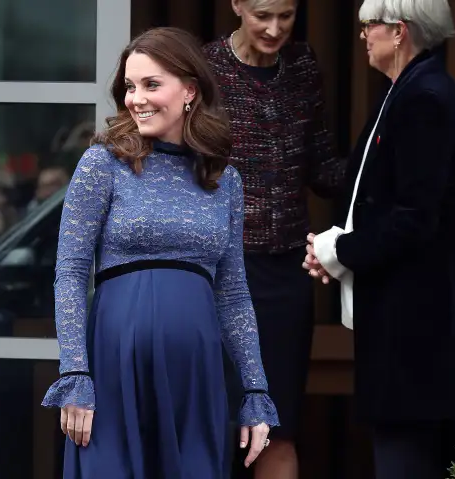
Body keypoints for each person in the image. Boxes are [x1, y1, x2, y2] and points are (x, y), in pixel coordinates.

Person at [41, 27, 279, 479]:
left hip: (195, 370)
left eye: (152, 84)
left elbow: (232, 292)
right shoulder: (103, 163)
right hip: (113, 367)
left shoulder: (223, 179)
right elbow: (70, 272)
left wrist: (254, 389)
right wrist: (75, 372)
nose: (136, 98)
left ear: (190, 90)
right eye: (130, 86)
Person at [304, 0, 455, 477]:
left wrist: (340, 252)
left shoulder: (424, 97)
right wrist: (335, 248)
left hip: (415, 324)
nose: (363, 35)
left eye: (370, 25)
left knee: (405, 456)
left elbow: (414, 217)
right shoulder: (405, 90)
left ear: (400, 32)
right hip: (400, 318)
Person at [203, 1, 344, 477]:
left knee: (278, 427)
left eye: (286, 15)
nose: (275, 28)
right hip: (218, 271)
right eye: (263, 14)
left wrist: (379, 170)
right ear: (237, 5)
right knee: (213, 423)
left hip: (286, 274)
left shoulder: (302, 67)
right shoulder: (205, 69)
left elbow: (321, 165)